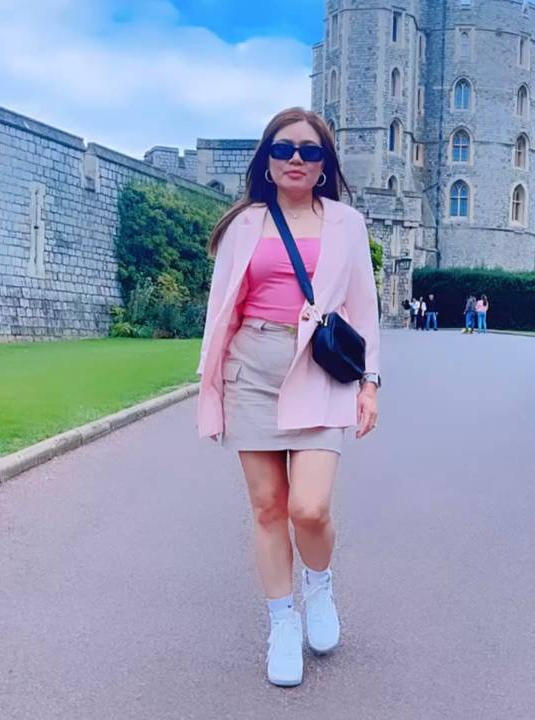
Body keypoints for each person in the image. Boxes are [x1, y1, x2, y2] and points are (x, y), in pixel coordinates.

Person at [196, 108, 380, 688]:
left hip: (320, 370)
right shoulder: (244, 224)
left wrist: (370, 382)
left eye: (309, 150)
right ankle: (282, 622)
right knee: (269, 508)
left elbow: (363, 308)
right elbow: (221, 311)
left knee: (309, 508)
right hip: (252, 369)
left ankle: (318, 585)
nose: (296, 158)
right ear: (267, 161)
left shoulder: (348, 224)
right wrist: (212, 386)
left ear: (325, 164)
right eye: (283, 149)